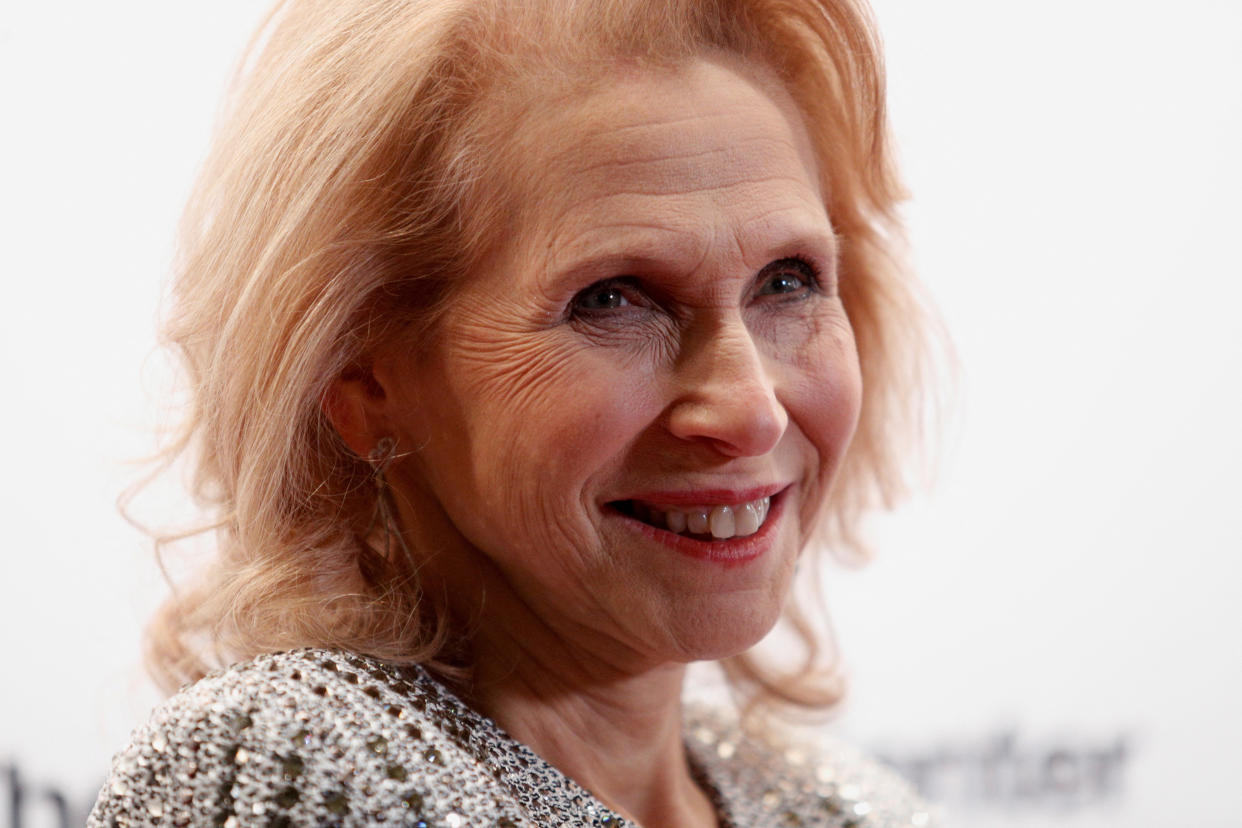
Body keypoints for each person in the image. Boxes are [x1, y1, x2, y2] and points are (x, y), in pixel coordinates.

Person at [90, 0, 936, 825]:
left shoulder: (842, 805)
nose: (751, 412)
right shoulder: (287, 767)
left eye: (787, 282)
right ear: (360, 378)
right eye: (611, 299)